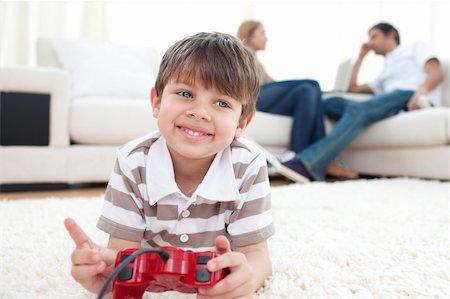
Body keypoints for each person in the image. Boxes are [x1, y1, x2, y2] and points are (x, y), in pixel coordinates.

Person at [64, 32, 275, 298]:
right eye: (186, 93)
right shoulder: (133, 161)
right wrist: (106, 271)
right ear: (156, 102)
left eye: (222, 103)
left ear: (242, 124)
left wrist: (248, 279)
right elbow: (122, 251)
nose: (199, 112)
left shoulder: (249, 164)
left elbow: (257, 255)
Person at [277, 22, 443, 181]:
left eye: (374, 37)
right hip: (388, 102)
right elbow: (352, 87)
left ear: (390, 35)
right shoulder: (384, 72)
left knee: (357, 110)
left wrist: (420, 92)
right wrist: (361, 57)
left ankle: (308, 162)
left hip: (410, 96)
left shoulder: (414, 48)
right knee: (327, 102)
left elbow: (436, 73)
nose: (370, 42)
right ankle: (329, 161)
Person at [237, 20, 358, 181]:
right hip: (254, 96)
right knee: (312, 84)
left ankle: (300, 160)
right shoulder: (243, 53)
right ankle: (322, 159)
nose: (266, 38)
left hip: (266, 96)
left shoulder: (259, 62)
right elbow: (253, 85)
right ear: (250, 35)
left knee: (306, 91)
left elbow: (275, 84)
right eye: (262, 33)